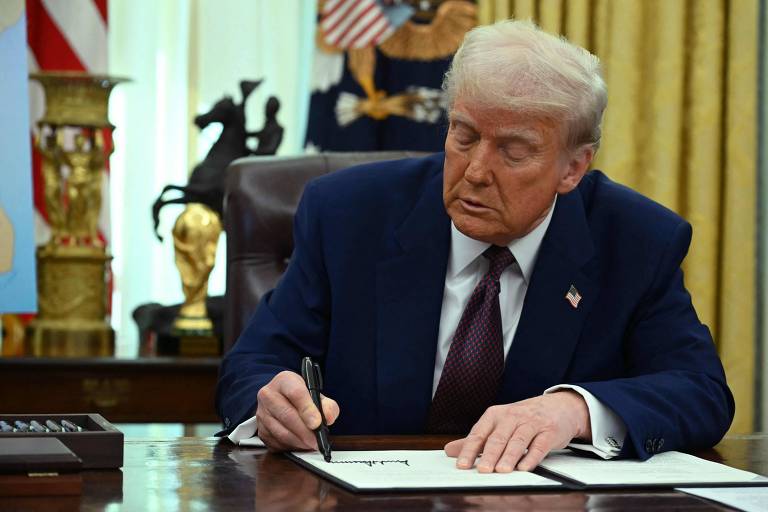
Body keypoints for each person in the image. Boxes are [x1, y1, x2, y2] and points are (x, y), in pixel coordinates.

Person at [216, 19, 734, 473]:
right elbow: (254, 363)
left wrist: (574, 410)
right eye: (463, 136)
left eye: (513, 151)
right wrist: (270, 404)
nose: (477, 172)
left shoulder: (636, 239)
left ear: (573, 168)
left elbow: (702, 392)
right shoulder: (349, 214)